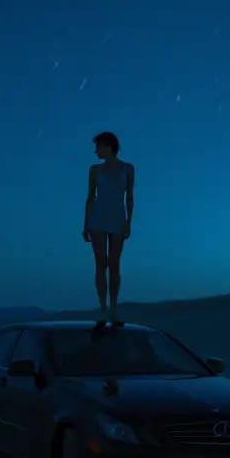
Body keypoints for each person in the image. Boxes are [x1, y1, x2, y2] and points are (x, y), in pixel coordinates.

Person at [83, 131, 135, 321]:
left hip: (117, 219)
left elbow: (129, 196)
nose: (96, 151)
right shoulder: (94, 170)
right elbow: (90, 197)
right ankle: (103, 307)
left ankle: (113, 307)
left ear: (108, 146)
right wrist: (85, 224)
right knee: (100, 263)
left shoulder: (127, 169)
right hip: (97, 219)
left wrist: (129, 222)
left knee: (114, 263)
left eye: (98, 147)